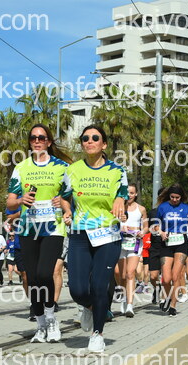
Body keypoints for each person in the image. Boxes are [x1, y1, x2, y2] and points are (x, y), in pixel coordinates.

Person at [6, 123, 72, 344]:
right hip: (28, 228)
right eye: (33, 137)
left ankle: (51, 318)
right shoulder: (21, 168)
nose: (37, 141)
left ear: (49, 142)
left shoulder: (62, 167)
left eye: (41, 138)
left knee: (45, 273)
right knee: (32, 278)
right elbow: (10, 202)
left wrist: (63, 204)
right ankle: (41, 324)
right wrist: (20, 200)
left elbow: (71, 198)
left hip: (53, 228)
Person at [67, 125, 128, 352]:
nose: (89, 141)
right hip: (80, 233)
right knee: (77, 289)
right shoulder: (72, 170)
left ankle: (97, 334)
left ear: (104, 144)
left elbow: (122, 193)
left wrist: (120, 200)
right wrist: (65, 209)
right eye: (85, 138)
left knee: (100, 285)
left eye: (95, 138)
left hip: (107, 234)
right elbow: (64, 196)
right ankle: (91, 307)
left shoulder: (117, 171)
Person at [156, 184, 188, 316]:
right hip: (167, 242)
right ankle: (167, 297)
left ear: (181, 197)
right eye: (172, 197)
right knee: (166, 279)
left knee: (175, 275)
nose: (174, 200)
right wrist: (161, 232)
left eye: (177, 198)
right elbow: (156, 225)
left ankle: (173, 304)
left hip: (181, 242)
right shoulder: (162, 207)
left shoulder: (186, 208)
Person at [116, 184, 148, 317]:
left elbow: (146, 226)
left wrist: (142, 232)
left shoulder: (141, 209)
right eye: (127, 193)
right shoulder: (118, 207)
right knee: (121, 274)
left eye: (132, 193)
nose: (129, 195)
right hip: (120, 243)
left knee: (130, 273)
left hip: (134, 243)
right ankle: (123, 296)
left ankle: (130, 304)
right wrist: (120, 226)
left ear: (136, 194)